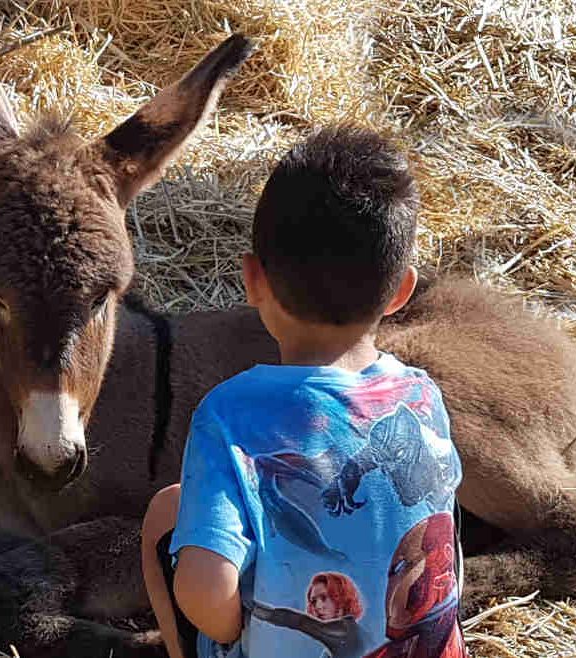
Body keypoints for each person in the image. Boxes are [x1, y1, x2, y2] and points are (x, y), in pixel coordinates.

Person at [139, 124, 468, 658]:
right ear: (401, 291)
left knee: (165, 514)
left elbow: (208, 598)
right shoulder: (423, 397)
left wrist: (229, 616)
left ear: (253, 280)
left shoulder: (231, 415)